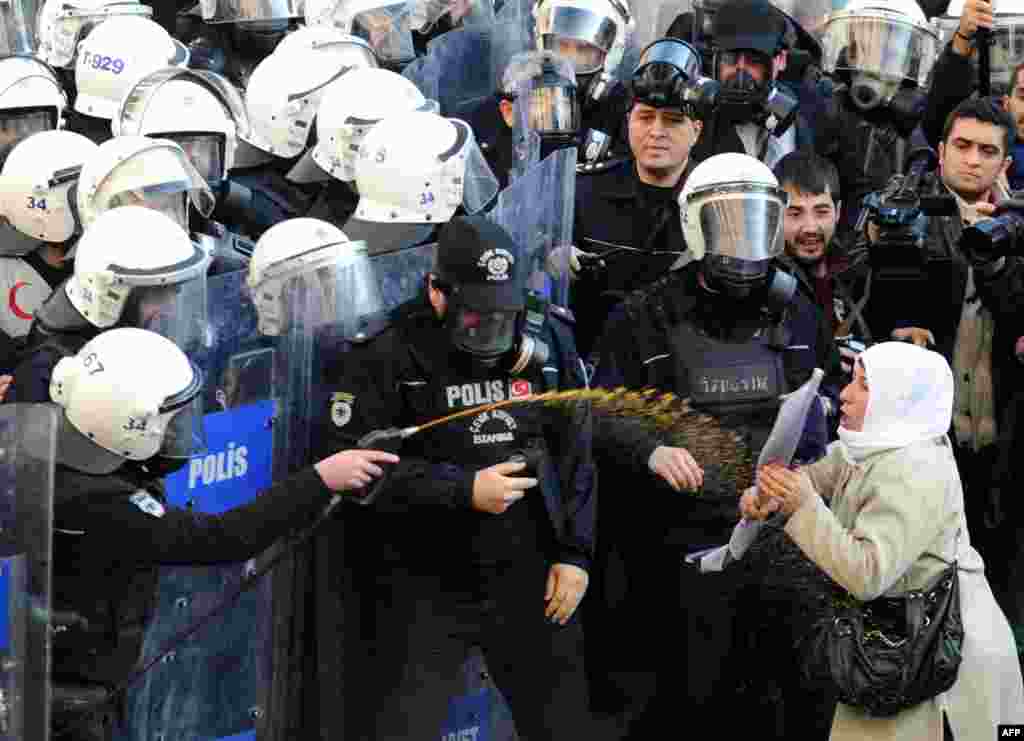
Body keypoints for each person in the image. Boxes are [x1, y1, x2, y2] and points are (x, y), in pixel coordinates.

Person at [315, 214, 598, 739]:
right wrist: (461, 489)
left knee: (562, 724)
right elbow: (354, 469)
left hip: (529, 568)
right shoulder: (387, 350)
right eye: (475, 315)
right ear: (437, 292)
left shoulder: (545, 335)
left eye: (502, 314)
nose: (490, 327)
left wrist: (575, 553)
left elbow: (576, 451)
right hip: (423, 579)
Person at [45, 326, 399, 740]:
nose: (178, 431)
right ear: (127, 426)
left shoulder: (54, 453)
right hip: (64, 695)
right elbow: (225, 537)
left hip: (77, 678)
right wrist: (320, 479)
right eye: (170, 421)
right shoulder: (99, 504)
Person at [587, 152, 833, 739]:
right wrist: (651, 449)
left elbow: (823, 399)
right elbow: (598, 411)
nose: (742, 241)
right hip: (680, 543)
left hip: (778, 532)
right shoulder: (645, 315)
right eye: (727, 221)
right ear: (695, 225)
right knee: (691, 698)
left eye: (756, 221)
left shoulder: (797, 308)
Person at [748, 341, 1024, 739]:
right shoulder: (872, 443)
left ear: (897, 399)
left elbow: (867, 573)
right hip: (898, 638)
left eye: (863, 386)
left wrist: (802, 506)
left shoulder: (916, 468)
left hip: (942, 653)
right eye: (852, 381)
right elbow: (819, 475)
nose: (845, 394)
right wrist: (771, 493)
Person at [860, 98, 1024, 613]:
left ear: (1006, 163)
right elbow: (863, 283)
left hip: (1003, 437)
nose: (973, 160)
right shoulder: (906, 211)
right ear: (942, 151)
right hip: (928, 440)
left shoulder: (1018, 220)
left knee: (999, 586)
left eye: (987, 150)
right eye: (963, 146)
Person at [569, 37, 706, 361]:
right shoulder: (585, 192)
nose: (656, 131)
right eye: (645, 117)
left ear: (697, 130)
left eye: (673, 120)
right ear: (628, 121)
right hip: (596, 364)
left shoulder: (714, 200)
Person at [813, 0, 941, 238]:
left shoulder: (918, 121)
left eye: (892, 43)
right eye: (869, 37)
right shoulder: (831, 106)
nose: (880, 51)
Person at [775, 150, 873, 354]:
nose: (810, 227)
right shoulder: (763, 284)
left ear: (838, 212)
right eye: (795, 213)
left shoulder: (860, 273)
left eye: (821, 212)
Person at [689, 0, 807, 168]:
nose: (740, 71)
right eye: (730, 59)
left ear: (781, 60)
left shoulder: (811, 113)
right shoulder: (695, 115)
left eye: (754, 60)